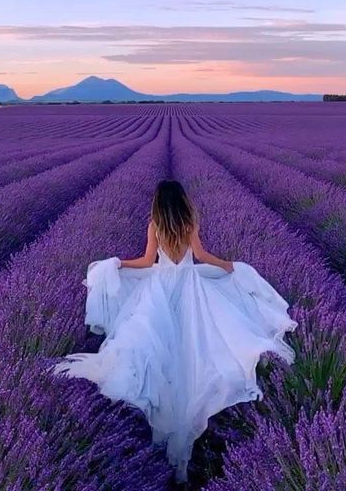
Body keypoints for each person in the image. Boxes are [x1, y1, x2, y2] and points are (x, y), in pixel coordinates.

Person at [53, 179, 298, 482]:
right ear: (181, 200)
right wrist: (230, 266)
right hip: (190, 288)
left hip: (160, 289)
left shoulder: (155, 225)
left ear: (158, 202)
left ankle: (160, 415)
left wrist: (117, 264)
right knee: (197, 344)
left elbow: (145, 262)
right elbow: (202, 257)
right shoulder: (190, 222)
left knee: (155, 345)